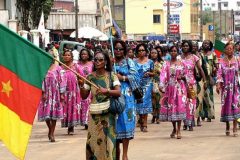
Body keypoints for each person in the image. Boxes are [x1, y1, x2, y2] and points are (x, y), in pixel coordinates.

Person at [79, 50, 121, 160]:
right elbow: (84, 96)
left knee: (108, 141)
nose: (97, 62)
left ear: (106, 62)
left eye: (101, 60)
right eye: (96, 60)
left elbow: (118, 92)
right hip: (94, 115)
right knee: (94, 141)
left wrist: (106, 91)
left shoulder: (112, 76)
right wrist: (81, 85)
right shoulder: (90, 77)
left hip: (108, 114)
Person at [113, 40, 139, 160]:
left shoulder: (129, 62)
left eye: (120, 49)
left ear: (124, 50)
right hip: (113, 94)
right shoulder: (110, 62)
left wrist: (122, 77)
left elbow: (135, 77)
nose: (118, 51)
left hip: (127, 95)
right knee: (115, 124)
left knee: (126, 123)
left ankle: (125, 154)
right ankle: (116, 153)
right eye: (116, 49)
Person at [159, 45, 187, 139]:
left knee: (179, 108)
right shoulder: (166, 64)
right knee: (171, 109)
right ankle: (174, 128)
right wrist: (161, 85)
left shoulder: (182, 63)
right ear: (169, 52)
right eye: (172, 51)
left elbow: (187, 74)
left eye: (175, 51)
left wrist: (182, 77)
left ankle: (179, 130)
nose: (173, 52)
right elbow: (163, 75)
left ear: (177, 52)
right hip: (170, 89)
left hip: (180, 89)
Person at [38, 54, 66, 142]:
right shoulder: (42, 67)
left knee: (54, 116)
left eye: (52, 57)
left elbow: (62, 80)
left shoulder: (58, 68)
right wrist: (42, 92)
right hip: (45, 94)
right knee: (47, 115)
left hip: (55, 94)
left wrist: (61, 93)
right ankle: (50, 129)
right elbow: (40, 80)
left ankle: (52, 133)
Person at [181, 40, 206, 131]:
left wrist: (205, 81)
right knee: (183, 103)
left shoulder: (194, 57)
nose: (185, 47)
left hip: (192, 83)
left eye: (187, 46)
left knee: (192, 103)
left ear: (190, 47)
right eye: (184, 46)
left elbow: (200, 69)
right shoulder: (179, 58)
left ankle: (191, 122)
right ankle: (184, 122)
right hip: (181, 84)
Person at [216, 42, 240, 137]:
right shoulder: (221, 61)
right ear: (224, 50)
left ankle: (234, 127)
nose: (229, 50)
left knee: (236, 106)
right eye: (227, 49)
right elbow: (219, 74)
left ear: (233, 50)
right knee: (226, 106)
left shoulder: (238, 60)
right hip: (226, 88)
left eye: (231, 49)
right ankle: (227, 126)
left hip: (235, 88)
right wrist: (218, 85)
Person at [134, 43, 154, 132]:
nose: (141, 52)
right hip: (137, 85)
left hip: (147, 85)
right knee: (138, 103)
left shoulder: (150, 62)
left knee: (145, 103)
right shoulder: (134, 62)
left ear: (146, 51)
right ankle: (141, 121)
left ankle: (145, 123)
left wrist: (149, 73)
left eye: (143, 50)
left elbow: (154, 73)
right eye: (139, 50)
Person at [61, 50, 81, 134]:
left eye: (68, 55)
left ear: (72, 57)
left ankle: (71, 127)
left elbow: (82, 77)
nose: (66, 56)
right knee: (65, 109)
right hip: (65, 92)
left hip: (73, 92)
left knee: (72, 108)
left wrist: (79, 80)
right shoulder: (61, 67)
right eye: (65, 55)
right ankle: (67, 125)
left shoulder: (76, 66)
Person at [200, 40, 218, 122]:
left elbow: (216, 65)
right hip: (200, 78)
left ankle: (210, 115)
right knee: (202, 96)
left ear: (210, 45)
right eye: (204, 43)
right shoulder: (199, 54)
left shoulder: (213, 54)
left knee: (209, 97)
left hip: (209, 77)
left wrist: (214, 69)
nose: (205, 45)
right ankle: (202, 114)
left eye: (207, 43)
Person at [78, 48, 93, 129]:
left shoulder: (92, 64)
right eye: (82, 54)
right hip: (81, 86)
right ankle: (84, 121)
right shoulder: (77, 65)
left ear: (88, 55)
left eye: (85, 54)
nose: (83, 55)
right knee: (83, 104)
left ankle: (89, 121)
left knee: (89, 104)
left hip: (90, 85)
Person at [149, 48, 164, 124]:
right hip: (149, 83)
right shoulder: (148, 62)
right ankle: (154, 115)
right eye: (152, 53)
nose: (153, 54)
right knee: (152, 102)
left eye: (155, 53)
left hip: (158, 83)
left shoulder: (161, 63)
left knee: (158, 101)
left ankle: (157, 116)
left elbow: (163, 74)